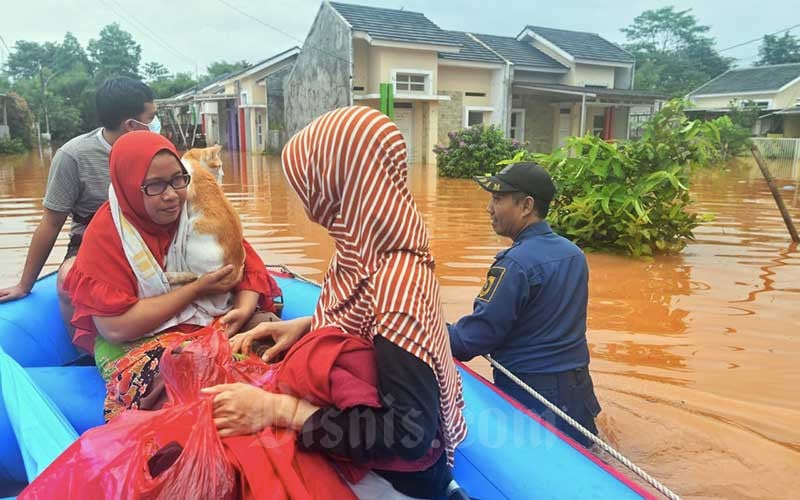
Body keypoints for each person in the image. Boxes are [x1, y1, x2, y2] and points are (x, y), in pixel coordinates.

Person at [203, 106, 468, 499]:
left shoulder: (397, 283)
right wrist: (309, 325)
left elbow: (409, 434)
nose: (304, 197)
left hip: (395, 469)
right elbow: (372, 326)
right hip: (355, 419)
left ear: (338, 182)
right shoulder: (366, 248)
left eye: (307, 181)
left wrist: (277, 411)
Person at [63, 131, 279, 421]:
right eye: (154, 186)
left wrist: (242, 310)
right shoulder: (106, 235)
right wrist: (195, 290)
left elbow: (246, 262)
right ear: (128, 185)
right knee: (184, 373)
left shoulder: (193, 205)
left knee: (278, 341)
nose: (171, 196)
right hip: (142, 337)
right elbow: (115, 328)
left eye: (178, 179)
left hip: (216, 319)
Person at [447, 162, 602, 448]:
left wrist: (424, 324)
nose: (489, 209)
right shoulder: (574, 254)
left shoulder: (514, 264)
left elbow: (471, 341)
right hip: (579, 391)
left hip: (532, 394)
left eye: (497, 199)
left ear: (526, 205)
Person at [0, 77, 161, 342]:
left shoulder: (157, 151)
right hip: (90, 245)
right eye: (151, 117)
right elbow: (51, 224)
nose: (156, 124)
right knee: (67, 281)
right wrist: (24, 285)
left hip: (151, 241)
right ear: (131, 125)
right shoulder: (73, 156)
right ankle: (87, 353)